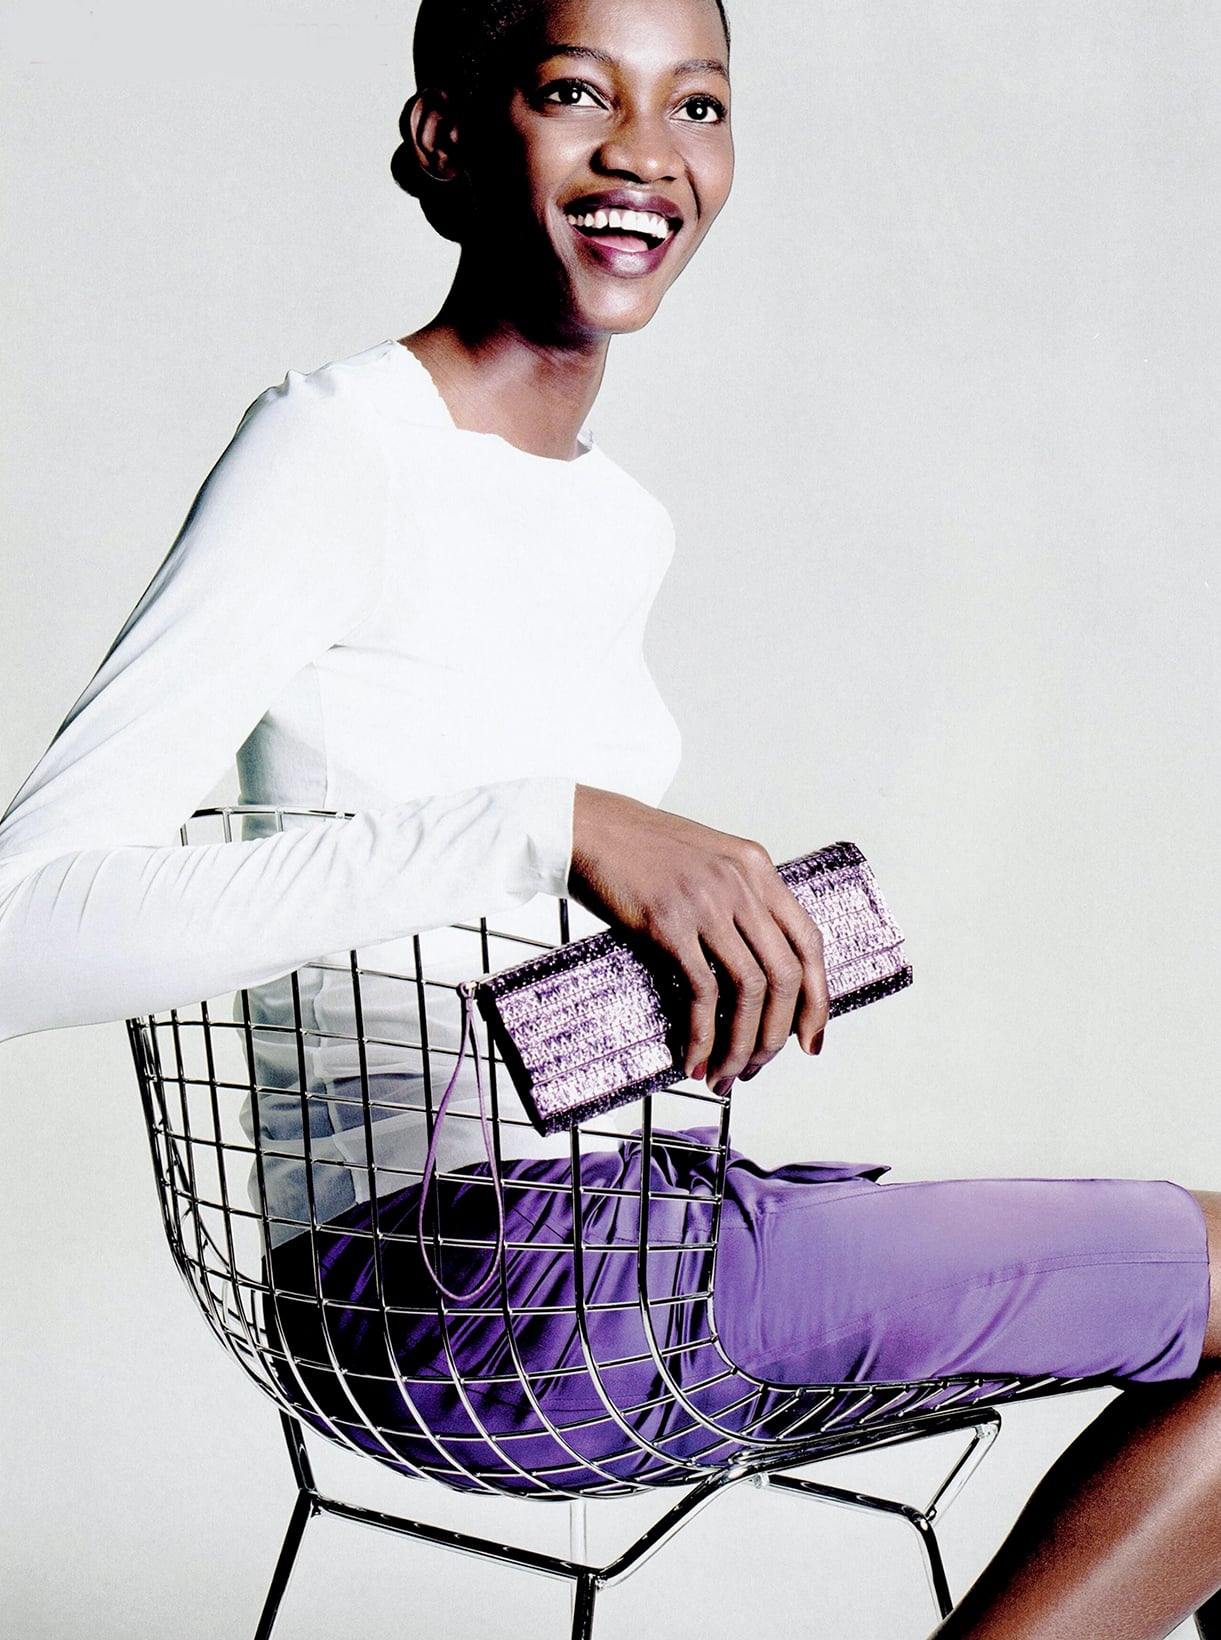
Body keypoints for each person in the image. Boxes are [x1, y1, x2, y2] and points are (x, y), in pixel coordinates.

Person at [1, 0, 1219, 1634]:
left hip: (629, 1229)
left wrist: (694, 976)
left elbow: (480, 949)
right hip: (469, 1289)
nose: (645, 154)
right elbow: (23, 931)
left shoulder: (614, 520)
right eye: (577, 92)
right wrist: (544, 822)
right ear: (447, 136)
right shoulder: (338, 446)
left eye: (695, 106)